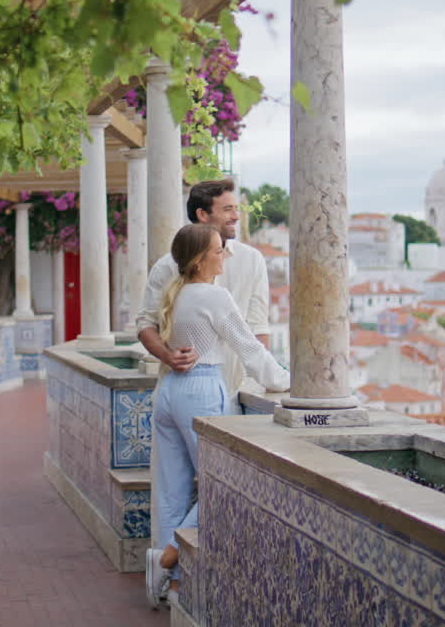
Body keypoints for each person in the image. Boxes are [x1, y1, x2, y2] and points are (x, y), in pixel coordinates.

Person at [144, 223, 289, 608]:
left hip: (169, 392)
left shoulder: (176, 294)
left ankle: (173, 586)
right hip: (202, 390)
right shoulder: (215, 296)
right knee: (220, 484)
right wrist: (286, 382)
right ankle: (167, 560)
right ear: (199, 260)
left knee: (173, 492)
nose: (224, 255)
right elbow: (251, 350)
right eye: (217, 250)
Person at [136, 178, 271, 412]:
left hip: (233, 393)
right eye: (227, 209)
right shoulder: (166, 266)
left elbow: (258, 327)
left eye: (236, 209)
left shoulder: (252, 260)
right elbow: (146, 323)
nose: (236, 216)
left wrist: (260, 382)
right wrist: (168, 356)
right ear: (202, 214)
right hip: (178, 390)